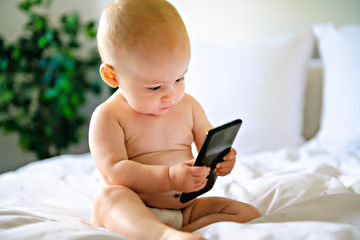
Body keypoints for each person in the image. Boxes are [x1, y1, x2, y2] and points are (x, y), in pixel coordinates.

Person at [89, 0, 261, 239]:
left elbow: (207, 144)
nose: (171, 94)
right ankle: (162, 235)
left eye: (179, 78)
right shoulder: (109, 116)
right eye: (155, 86)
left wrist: (223, 159)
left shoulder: (188, 106)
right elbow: (114, 173)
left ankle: (176, 232)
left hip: (184, 208)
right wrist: (168, 177)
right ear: (112, 75)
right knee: (113, 199)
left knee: (248, 214)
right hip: (136, 206)